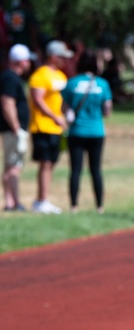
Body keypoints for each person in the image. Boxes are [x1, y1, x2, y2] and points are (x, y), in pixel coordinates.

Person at [28, 39, 74, 214]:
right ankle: (41, 200)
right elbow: (37, 99)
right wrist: (54, 116)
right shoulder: (40, 74)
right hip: (43, 126)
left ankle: (44, 198)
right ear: (53, 56)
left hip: (58, 128)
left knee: (52, 162)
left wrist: (65, 115)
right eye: (61, 56)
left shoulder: (61, 76)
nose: (64, 59)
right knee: (45, 163)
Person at [63, 50, 113, 212]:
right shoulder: (103, 84)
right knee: (96, 170)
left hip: (77, 131)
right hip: (96, 131)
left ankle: (74, 205)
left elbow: (63, 108)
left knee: (75, 170)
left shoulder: (72, 83)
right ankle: (99, 206)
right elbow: (107, 110)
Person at [2, 43, 34, 211]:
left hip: (14, 129)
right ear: (20, 61)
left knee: (11, 165)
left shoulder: (12, 77)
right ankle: (13, 202)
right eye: (27, 60)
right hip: (13, 130)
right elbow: (7, 103)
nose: (28, 63)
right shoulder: (10, 77)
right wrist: (16, 128)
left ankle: (10, 202)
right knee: (13, 166)